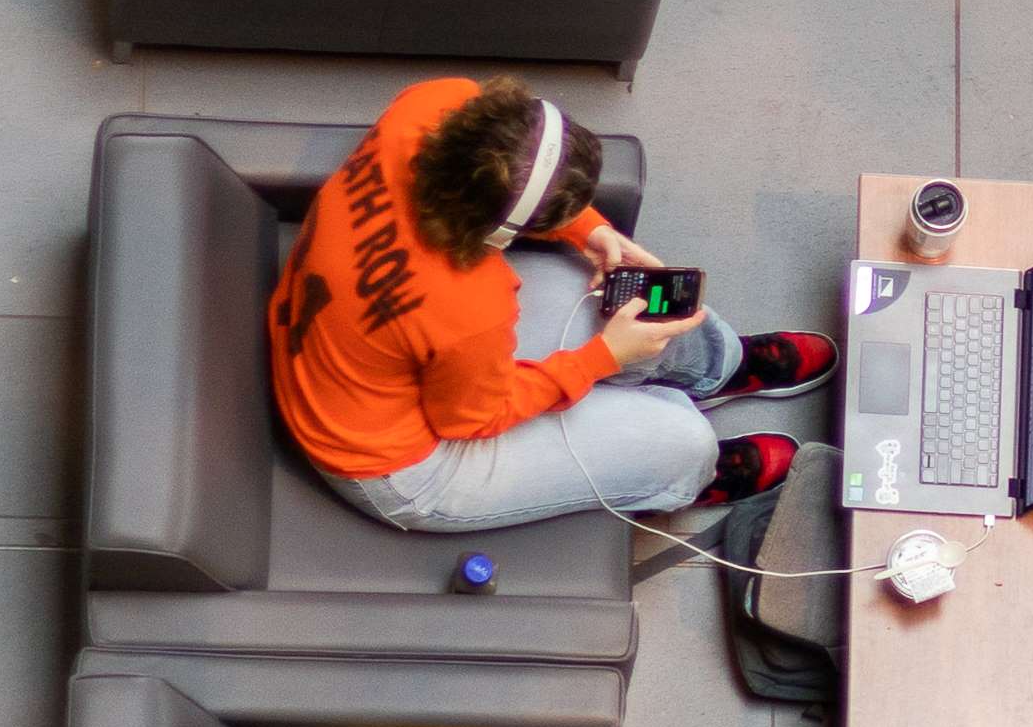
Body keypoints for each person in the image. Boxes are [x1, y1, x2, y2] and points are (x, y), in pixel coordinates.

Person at [264, 77, 829, 542]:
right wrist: (600, 359)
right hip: (395, 461)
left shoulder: (431, 106)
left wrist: (592, 231)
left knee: (638, 304)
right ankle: (690, 474)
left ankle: (721, 368)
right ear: (499, 228)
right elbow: (467, 420)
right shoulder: (468, 305)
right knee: (682, 440)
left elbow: (494, 178)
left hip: (367, 339)